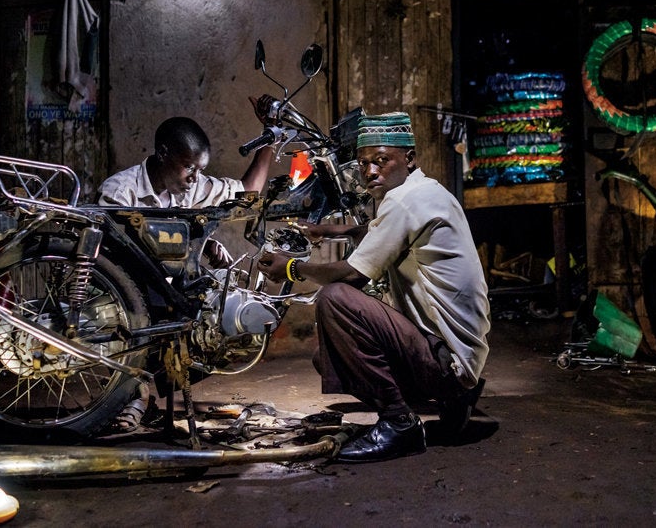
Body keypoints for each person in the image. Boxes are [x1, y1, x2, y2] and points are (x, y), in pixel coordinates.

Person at [259, 111, 491, 463]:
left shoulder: (403, 201)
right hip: (457, 356)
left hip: (447, 360)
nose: (370, 172)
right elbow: (379, 233)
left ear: (409, 158)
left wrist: (291, 267)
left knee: (337, 299)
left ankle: (400, 424)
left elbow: (353, 275)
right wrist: (332, 231)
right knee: (328, 359)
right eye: (364, 163)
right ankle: (453, 399)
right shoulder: (425, 191)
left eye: (382, 160)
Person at [97, 111, 274, 431]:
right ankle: (134, 391)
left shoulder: (194, 187)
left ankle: (143, 389)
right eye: (189, 167)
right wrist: (195, 244)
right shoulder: (120, 191)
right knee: (151, 312)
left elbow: (248, 193)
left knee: (210, 313)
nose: (194, 177)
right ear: (163, 153)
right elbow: (119, 257)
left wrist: (270, 138)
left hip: (167, 289)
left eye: (201, 169)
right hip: (126, 289)